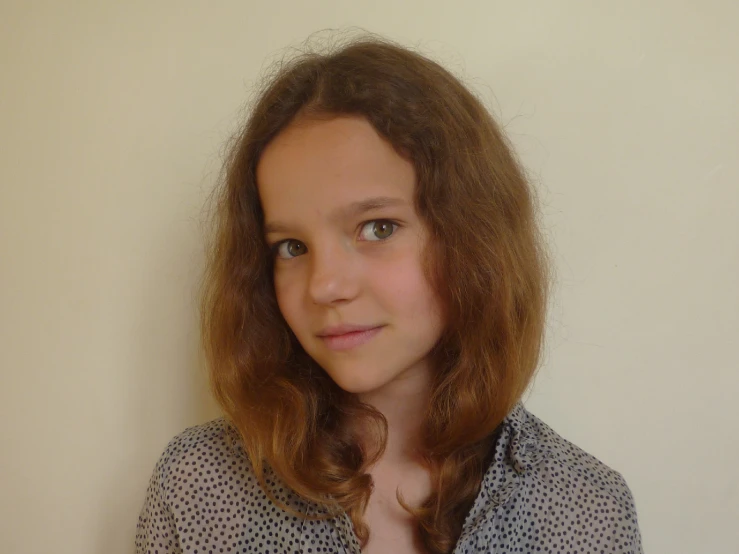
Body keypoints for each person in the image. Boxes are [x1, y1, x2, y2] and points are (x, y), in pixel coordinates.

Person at [135, 33, 642, 554]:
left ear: (472, 238)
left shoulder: (584, 509)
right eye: (291, 246)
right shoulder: (199, 485)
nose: (325, 285)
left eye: (377, 228)